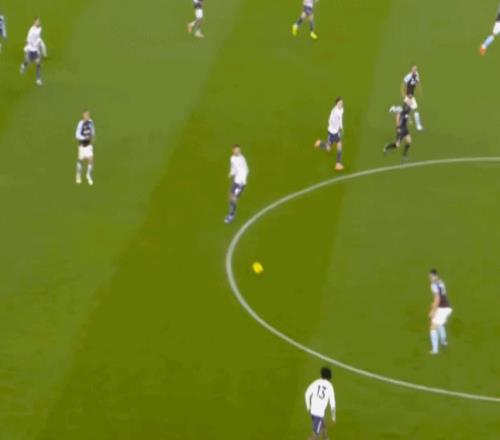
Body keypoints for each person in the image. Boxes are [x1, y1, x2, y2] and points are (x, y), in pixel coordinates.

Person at [305, 367, 336, 440]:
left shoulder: (316, 382)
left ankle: (326, 438)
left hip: (313, 411)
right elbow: (332, 403)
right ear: (330, 377)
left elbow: (307, 394)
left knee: (322, 425)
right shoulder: (330, 386)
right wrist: (333, 417)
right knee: (315, 435)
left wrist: (308, 407)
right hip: (318, 413)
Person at [314, 97, 344, 171]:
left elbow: (340, 119)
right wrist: (335, 129)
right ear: (336, 104)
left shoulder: (341, 109)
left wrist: (341, 127)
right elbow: (330, 120)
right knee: (328, 148)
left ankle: (338, 164)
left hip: (336, 132)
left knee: (339, 145)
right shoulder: (334, 112)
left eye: (342, 102)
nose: (341, 104)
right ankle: (320, 143)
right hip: (332, 132)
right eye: (340, 103)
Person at [428, 269, 453, 355]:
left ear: (436, 276)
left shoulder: (433, 285)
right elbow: (441, 296)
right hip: (447, 307)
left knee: (433, 327)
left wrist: (433, 310)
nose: (431, 278)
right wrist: (433, 305)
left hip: (442, 308)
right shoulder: (441, 282)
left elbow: (437, 299)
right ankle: (444, 342)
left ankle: (435, 350)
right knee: (440, 324)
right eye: (430, 276)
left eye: (432, 276)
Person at [224, 145, 249, 224]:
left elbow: (246, 170)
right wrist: (231, 173)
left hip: (241, 183)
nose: (238, 151)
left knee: (234, 198)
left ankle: (231, 215)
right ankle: (232, 211)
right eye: (236, 150)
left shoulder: (242, 159)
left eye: (239, 150)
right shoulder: (232, 158)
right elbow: (233, 167)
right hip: (235, 181)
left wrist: (242, 181)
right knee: (230, 197)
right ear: (233, 151)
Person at [19, 17, 45, 86]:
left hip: (35, 49)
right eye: (37, 21)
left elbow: (37, 38)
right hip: (31, 49)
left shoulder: (40, 28)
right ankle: (23, 66)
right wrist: (28, 47)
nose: (38, 22)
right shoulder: (31, 30)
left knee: (38, 63)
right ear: (34, 22)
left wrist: (38, 47)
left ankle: (38, 79)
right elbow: (28, 39)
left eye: (39, 21)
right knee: (28, 60)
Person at [75, 110, 96, 186]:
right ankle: (78, 175)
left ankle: (88, 175)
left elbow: (92, 130)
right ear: (83, 116)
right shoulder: (80, 124)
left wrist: (93, 135)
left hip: (89, 145)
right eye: (86, 115)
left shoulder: (91, 122)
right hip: (82, 146)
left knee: (91, 160)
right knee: (80, 160)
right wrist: (85, 138)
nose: (87, 116)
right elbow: (77, 135)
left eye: (88, 115)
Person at [400, 65, 423, 131]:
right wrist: (403, 94)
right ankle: (418, 125)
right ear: (411, 69)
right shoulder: (408, 76)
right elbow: (403, 84)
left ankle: (416, 124)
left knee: (407, 110)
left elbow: (417, 82)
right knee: (411, 110)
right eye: (413, 69)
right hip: (408, 96)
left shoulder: (417, 75)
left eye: (416, 69)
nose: (415, 70)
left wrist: (419, 89)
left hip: (411, 96)